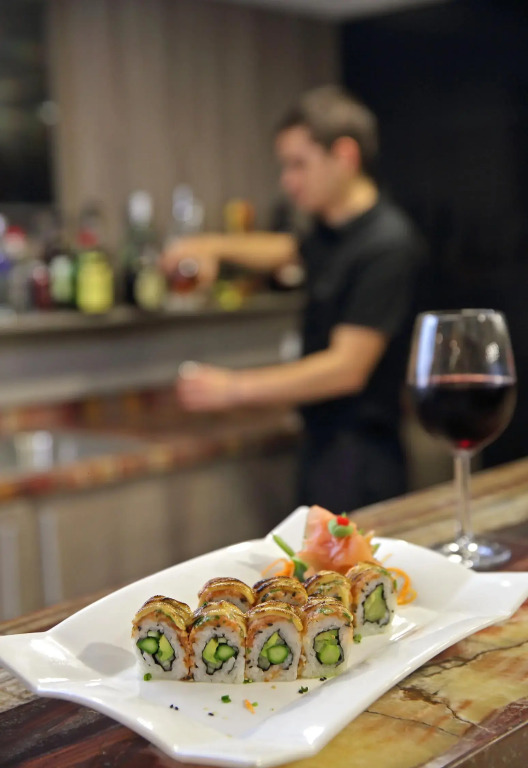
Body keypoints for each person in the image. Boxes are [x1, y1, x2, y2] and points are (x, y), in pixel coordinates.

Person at [163, 86, 426, 512]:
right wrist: (209, 245)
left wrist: (232, 388)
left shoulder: (387, 245)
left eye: (299, 164)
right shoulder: (331, 232)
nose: (288, 181)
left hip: (360, 458)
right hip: (320, 445)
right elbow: (285, 249)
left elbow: (347, 369)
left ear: (345, 155)